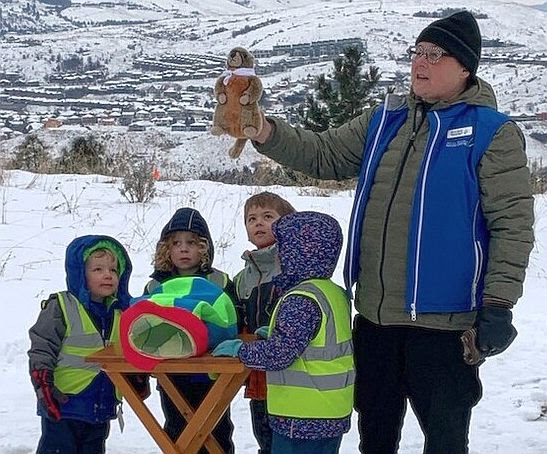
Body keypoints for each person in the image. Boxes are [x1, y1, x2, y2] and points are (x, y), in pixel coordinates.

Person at [250, 11, 535, 454]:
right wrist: (264, 130)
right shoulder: (384, 120)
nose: (420, 62)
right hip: (376, 321)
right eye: (416, 52)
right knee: (375, 439)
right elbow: (324, 155)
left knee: (444, 439)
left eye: (434, 54)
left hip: (446, 327)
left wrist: (499, 305)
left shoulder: (492, 133)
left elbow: (512, 225)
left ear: (464, 67)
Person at [213, 211, 354, 454]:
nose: (279, 254)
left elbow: (280, 355)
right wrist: (277, 333)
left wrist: (241, 350)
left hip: (301, 417)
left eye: (284, 248)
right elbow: (315, 340)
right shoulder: (331, 292)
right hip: (330, 410)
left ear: (300, 253)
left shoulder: (301, 299)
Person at [28, 235, 147, 453]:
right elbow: (42, 346)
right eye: (98, 270)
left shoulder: (122, 314)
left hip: (101, 406)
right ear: (80, 273)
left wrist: (136, 376)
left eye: (113, 270)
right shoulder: (62, 306)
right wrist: (43, 383)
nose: (107, 275)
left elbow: (130, 350)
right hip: (63, 405)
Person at [145, 207, 236, 453]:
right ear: (166, 248)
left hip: (214, 375)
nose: (184, 249)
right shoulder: (155, 285)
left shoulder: (221, 281)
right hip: (172, 374)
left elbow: (233, 322)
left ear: (204, 248)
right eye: (176, 243)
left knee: (218, 431)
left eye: (192, 243)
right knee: (176, 429)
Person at [233, 191, 296, 454]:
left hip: (292, 376)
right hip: (257, 374)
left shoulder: (292, 266)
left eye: (267, 216)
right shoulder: (241, 277)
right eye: (252, 218)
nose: (258, 222)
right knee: (263, 433)